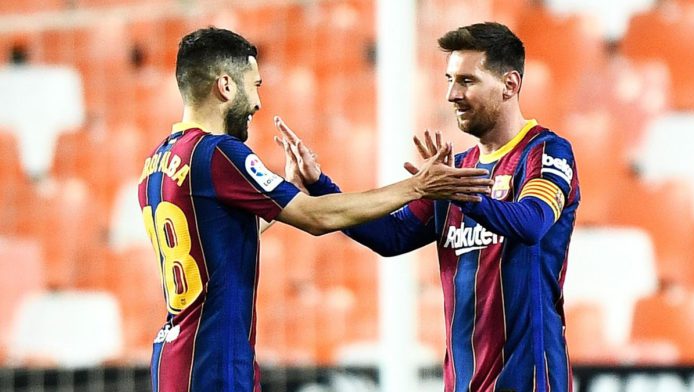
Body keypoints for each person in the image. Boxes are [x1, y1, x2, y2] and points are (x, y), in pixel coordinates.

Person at [137, 27, 494, 392]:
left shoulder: (158, 162)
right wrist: (418, 186)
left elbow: (221, 236)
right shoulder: (218, 152)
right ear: (226, 86)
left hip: (174, 359)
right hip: (214, 363)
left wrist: (289, 188)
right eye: (254, 85)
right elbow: (317, 217)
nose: (258, 102)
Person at [279, 22, 580, 392]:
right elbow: (392, 237)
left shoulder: (545, 152)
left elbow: (532, 223)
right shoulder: (455, 172)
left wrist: (457, 193)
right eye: (449, 80)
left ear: (510, 85)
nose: (452, 94)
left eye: (467, 81)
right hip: (463, 381)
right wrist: (319, 184)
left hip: (530, 380)